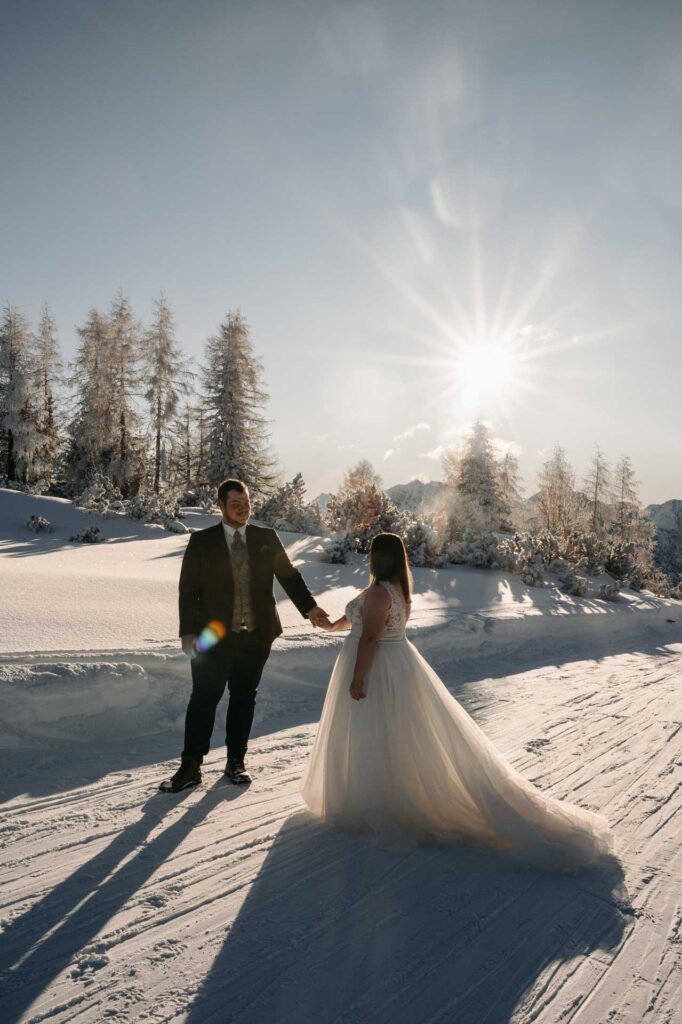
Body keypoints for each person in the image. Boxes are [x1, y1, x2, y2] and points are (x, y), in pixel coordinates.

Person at [300, 532, 615, 872]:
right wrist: (330, 625)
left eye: (372, 553)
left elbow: (372, 636)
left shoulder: (379, 593)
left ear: (379, 558)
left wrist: (359, 677)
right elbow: (358, 622)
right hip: (396, 661)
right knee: (390, 731)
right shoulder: (393, 591)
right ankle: (382, 793)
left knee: (376, 729)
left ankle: (382, 800)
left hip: (380, 667)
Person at [160, 478, 330, 793]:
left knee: (243, 698)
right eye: (235, 503)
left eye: (246, 502)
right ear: (221, 506)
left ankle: (236, 762)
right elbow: (188, 591)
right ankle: (190, 766)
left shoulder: (266, 537)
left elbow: (289, 576)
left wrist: (310, 609)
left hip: (257, 634)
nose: (243, 509)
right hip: (212, 637)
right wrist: (187, 633)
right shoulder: (202, 541)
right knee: (203, 699)